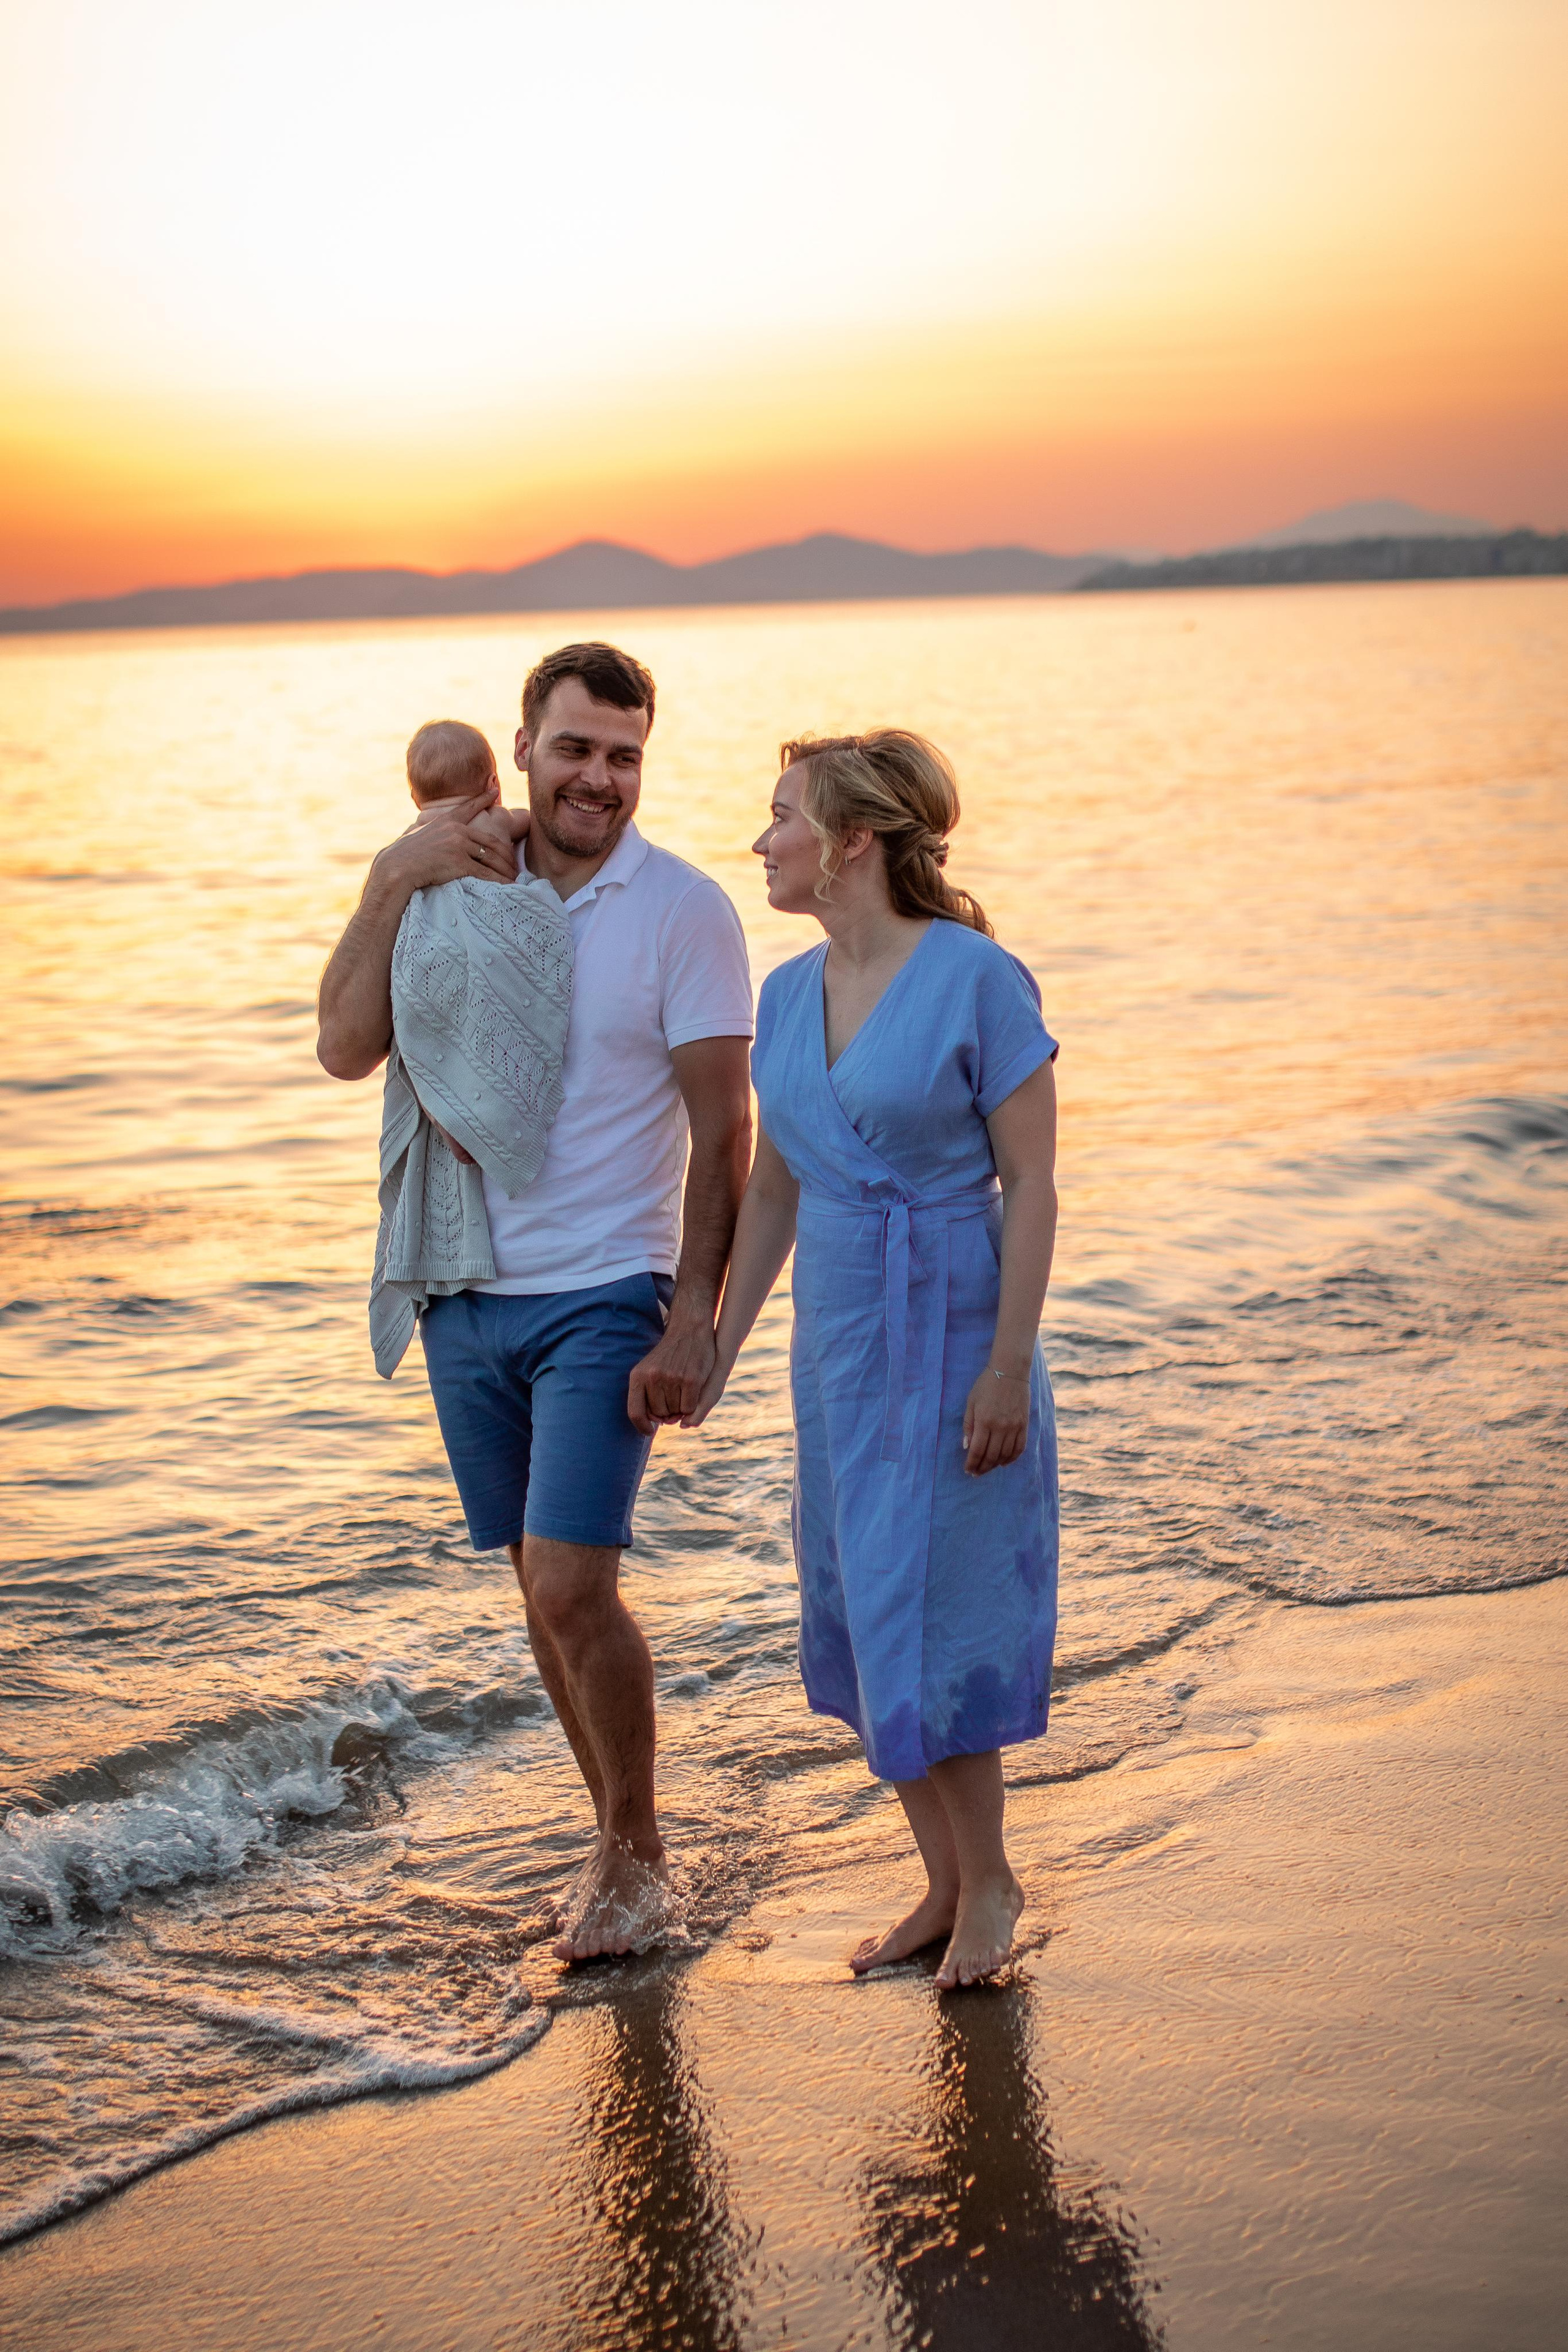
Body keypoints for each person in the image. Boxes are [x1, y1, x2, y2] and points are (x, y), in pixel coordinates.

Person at [317, 643, 754, 1959]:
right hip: (464, 1290)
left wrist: (695, 1317)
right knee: (533, 1582)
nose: (599, 778)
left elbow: (721, 1130)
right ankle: (611, 1840)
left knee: (572, 1584)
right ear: (523, 749)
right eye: (574, 749)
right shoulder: (451, 881)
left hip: (603, 1291)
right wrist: (393, 874)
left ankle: (635, 1855)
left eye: (623, 755)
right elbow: (344, 1045)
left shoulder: (681, 910)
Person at [687, 729, 1059, 1990]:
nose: (761, 840)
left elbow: (1034, 1183)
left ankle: (994, 1882)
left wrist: (1005, 1367)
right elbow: (778, 1185)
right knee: (857, 1603)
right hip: (839, 1345)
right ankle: (941, 1886)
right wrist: (721, 1345)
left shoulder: (975, 978)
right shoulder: (785, 995)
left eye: (780, 815)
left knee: (943, 1606)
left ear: (851, 841)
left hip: (956, 1329)